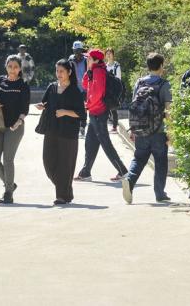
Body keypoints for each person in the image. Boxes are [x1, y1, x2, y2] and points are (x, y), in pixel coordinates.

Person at [122, 52, 173, 204]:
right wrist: (171, 132)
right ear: (161, 66)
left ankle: (129, 180)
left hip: (141, 129)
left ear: (148, 66)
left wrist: (132, 129)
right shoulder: (164, 85)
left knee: (139, 159)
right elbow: (169, 111)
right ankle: (160, 193)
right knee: (160, 162)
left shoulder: (139, 83)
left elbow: (134, 107)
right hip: (158, 131)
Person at [74, 50, 128, 183]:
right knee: (90, 143)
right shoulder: (93, 70)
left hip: (98, 112)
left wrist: (88, 105)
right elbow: (85, 85)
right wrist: (88, 70)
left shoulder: (99, 71)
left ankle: (123, 171)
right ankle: (85, 172)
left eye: (89, 58)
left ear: (97, 60)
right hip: (95, 112)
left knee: (105, 143)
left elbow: (97, 93)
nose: (87, 60)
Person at [38, 59, 86, 205]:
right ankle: (66, 190)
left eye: (62, 71)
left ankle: (61, 195)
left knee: (65, 165)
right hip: (51, 130)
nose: (58, 74)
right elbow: (46, 103)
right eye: (57, 71)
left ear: (69, 72)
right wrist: (42, 106)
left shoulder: (75, 91)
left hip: (68, 133)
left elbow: (82, 114)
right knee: (48, 162)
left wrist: (65, 112)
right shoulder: (51, 87)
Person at [0, 55, 30, 204]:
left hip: (15, 127)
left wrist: (19, 121)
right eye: (10, 66)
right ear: (6, 66)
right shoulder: (0, 80)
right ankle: (10, 184)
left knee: (8, 160)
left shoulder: (23, 84)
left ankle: (8, 193)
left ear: (20, 68)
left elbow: (25, 107)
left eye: (16, 67)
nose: (12, 69)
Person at [68, 41, 88, 138]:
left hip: (85, 89)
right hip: (74, 88)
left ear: (82, 50)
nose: (77, 53)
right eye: (75, 51)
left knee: (84, 108)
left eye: (79, 50)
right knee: (74, 108)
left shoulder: (86, 60)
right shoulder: (70, 60)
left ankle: (83, 126)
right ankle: (75, 126)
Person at [105, 48, 121, 133]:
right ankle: (105, 125)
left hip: (114, 89)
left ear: (113, 55)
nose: (108, 55)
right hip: (106, 89)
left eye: (110, 53)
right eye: (107, 53)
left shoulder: (116, 66)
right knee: (105, 108)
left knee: (114, 109)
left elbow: (119, 79)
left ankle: (114, 126)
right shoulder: (105, 66)